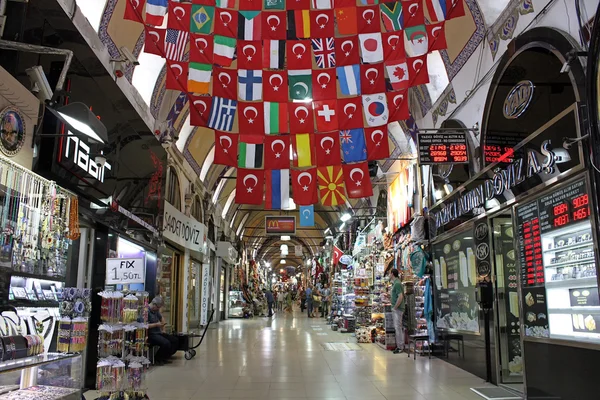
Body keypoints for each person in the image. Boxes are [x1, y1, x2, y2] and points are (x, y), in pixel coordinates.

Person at [147, 296, 178, 365]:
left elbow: (162, 318)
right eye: (158, 307)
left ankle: (165, 357)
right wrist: (156, 325)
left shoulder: (156, 311)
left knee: (174, 340)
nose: (158, 309)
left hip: (158, 332)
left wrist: (163, 329)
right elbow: (145, 326)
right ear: (154, 304)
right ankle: (157, 359)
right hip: (151, 334)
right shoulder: (146, 311)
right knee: (166, 343)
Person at [390, 269, 405, 354]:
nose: (389, 275)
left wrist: (395, 307)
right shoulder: (396, 283)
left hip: (398, 309)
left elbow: (400, 297)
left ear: (392, 274)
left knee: (398, 328)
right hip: (397, 309)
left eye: (389, 274)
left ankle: (400, 347)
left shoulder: (397, 283)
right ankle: (399, 346)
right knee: (397, 328)